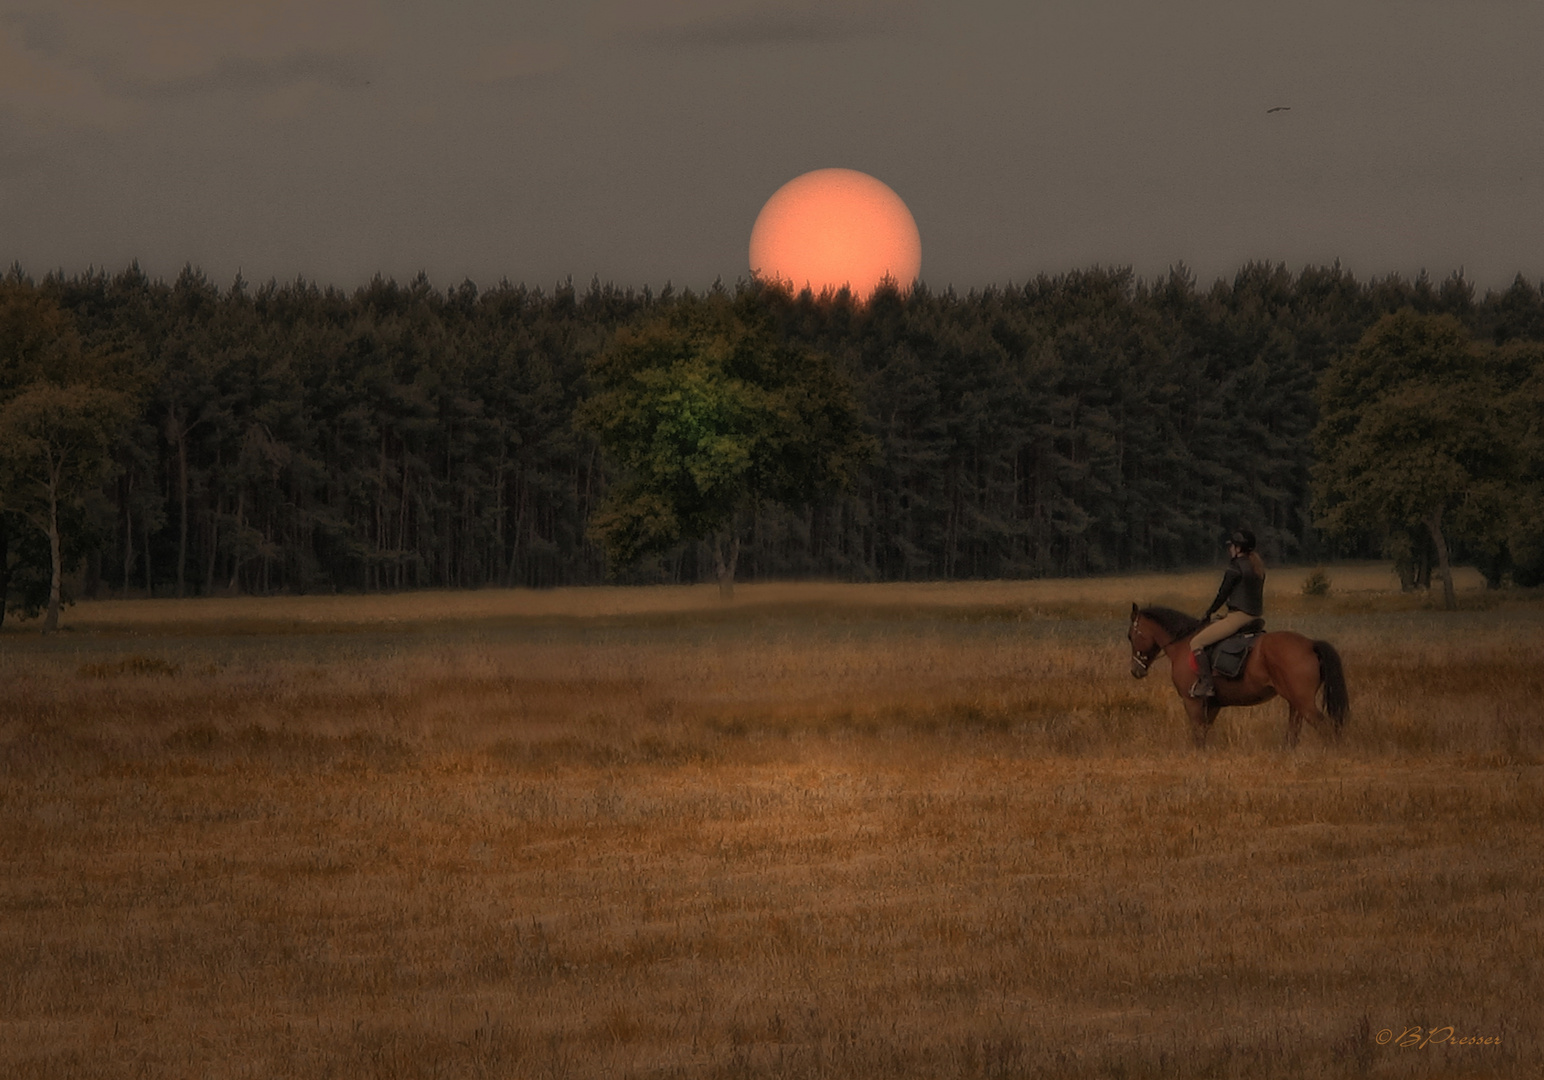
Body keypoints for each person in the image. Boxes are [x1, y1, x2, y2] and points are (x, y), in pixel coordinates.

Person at [1190, 529, 1266, 698]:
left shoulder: (1235, 567)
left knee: (1196, 642)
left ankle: (1207, 684)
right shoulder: (1257, 567)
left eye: (1232, 546)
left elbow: (1222, 594)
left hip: (1238, 618)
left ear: (1238, 548)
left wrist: (1209, 613)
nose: (1230, 549)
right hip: (1255, 617)